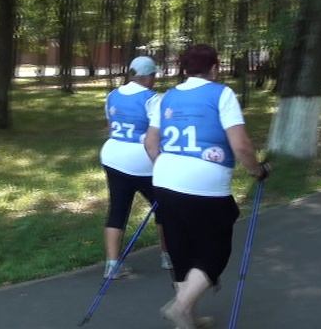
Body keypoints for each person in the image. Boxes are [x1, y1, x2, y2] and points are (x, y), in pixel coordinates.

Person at [144, 44, 269, 328]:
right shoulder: (221, 93)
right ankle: (180, 307)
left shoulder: (165, 98)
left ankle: (185, 319)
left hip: (164, 179)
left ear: (185, 69)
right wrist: (257, 171)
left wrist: (169, 168)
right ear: (215, 67)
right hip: (205, 184)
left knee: (180, 248)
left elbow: (150, 143)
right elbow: (241, 145)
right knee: (215, 249)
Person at [100, 56, 173, 279]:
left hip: (112, 156)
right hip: (143, 161)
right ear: (149, 76)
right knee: (164, 208)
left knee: (118, 210)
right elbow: (157, 133)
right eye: (154, 76)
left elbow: (111, 126)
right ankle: (167, 256)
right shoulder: (154, 99)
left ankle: (112, 265)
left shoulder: (112, 95)